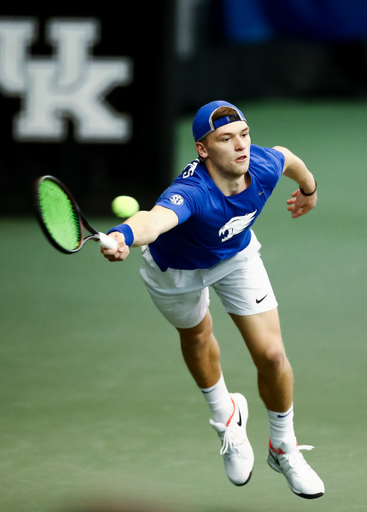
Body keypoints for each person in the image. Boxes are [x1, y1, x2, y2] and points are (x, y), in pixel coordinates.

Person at [101, 100, 324, 499]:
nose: (240, 146)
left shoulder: (262, 164)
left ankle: (282, 445)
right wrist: (123, 236)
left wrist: (309, 189)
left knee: (272, 355)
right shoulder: (191, 193)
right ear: (203, 150)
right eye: (225, 139)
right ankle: (227, 416)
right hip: (176, 270)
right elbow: (153, 220)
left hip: (236, 256)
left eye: (244, 134)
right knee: (197, 336)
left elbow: (289, 158)